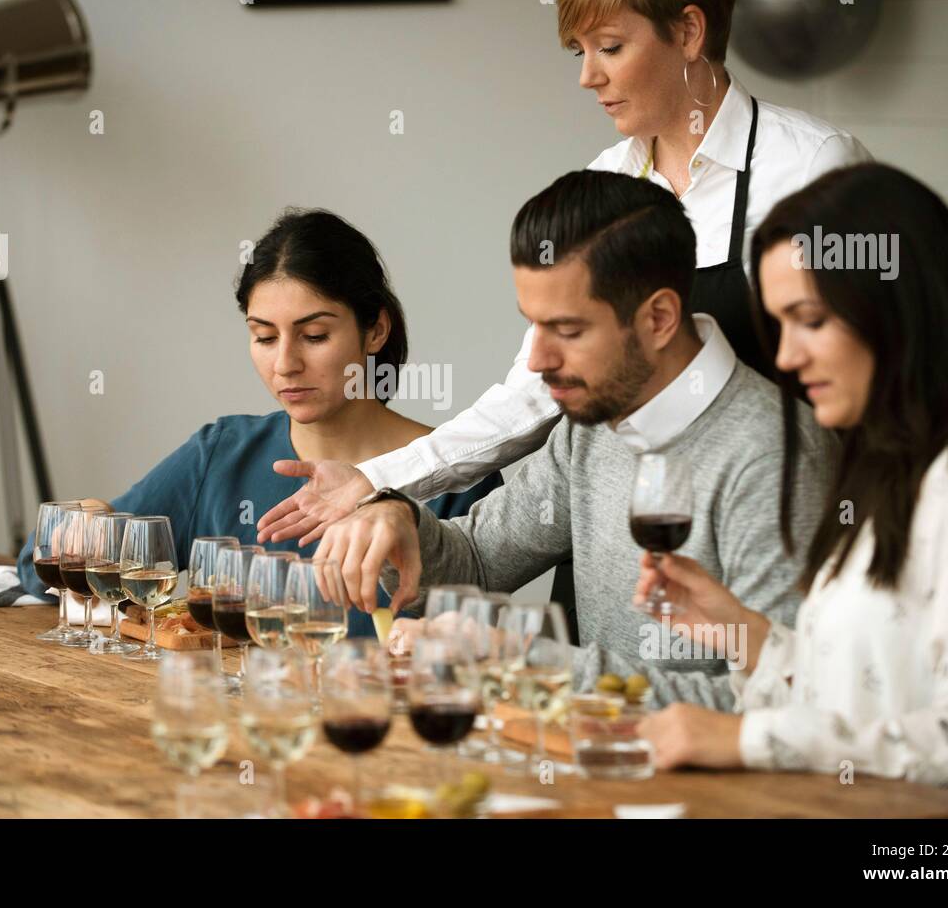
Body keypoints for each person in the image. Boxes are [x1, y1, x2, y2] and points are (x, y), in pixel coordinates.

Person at [256, 0, 870, 561]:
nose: (588, 77)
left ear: (688, 32)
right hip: (620, 534)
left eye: (609, 47)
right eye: (581, 52)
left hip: (768, 531)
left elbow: (871, 375)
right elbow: (535, 391)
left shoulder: (810, 167)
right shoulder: (606, 182)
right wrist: (380, 478)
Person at [313, 170, 839, 705]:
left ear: (658, 318)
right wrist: (400, 520)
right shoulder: (592, 424)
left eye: (567, 331)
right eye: (532, 326)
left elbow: (776, 702)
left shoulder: (774, 456)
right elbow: (477, 562)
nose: (538, 361)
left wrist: (520, 662)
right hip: (597, 769)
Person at [626, 163, 948, 816]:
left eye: (810, 319)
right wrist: (745, 633)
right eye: (780, 324)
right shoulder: (886, 472)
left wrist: (751, 738)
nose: (787, 356)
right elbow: (868, 696)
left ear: (894, 307)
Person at [15, 209, 501, 638]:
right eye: (264, 337)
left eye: (314, 335)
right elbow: (39, 573)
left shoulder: (457, 477)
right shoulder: (222, 453)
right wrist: (82, 530)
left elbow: (468, 653)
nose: (285, 363)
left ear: (374, 330)